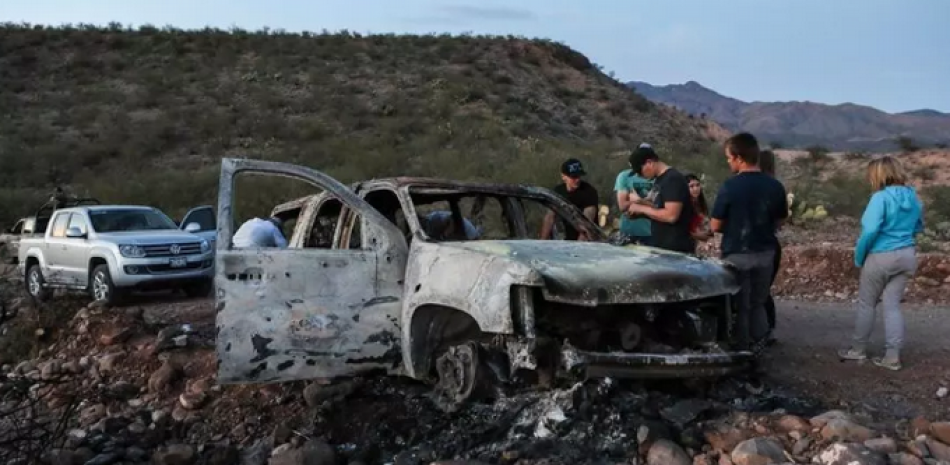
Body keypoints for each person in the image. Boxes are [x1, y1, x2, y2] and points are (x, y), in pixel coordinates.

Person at [838, 156, 923, 371]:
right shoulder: (913, 196)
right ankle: (892, 356)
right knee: (892, 305)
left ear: (878, 175)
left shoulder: (880, 198)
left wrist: (859, 256)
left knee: (868, 303)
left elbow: (870, 230)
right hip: (907, 254)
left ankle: (858, 349)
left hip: (881, 255)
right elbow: (918, 227)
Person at [710, 133, 788, 351]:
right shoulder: (775, 187)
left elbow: (715, 225)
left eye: (728, 158)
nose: (728, 162)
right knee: (758, 303)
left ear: (739, 158)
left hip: (737, 253)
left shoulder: (730, 187)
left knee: (740, 306)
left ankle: (741, 351)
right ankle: (759, 348)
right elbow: (780, 219)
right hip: (765, 252)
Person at [624, 144, 696, 254]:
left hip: (675, 249)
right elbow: (659, 209)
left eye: (640, 170)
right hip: (662, 246)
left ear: (649, 163)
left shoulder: (672, 179)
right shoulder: (659, 180)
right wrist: (639, 213)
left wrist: (642, 209)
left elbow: (671, 216)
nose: (640, 175)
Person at [758, 149, 783, 344]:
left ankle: (757, 331)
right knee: (764, 289)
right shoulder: (776, 187)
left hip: (754, 244)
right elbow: (779, 220)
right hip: (771, 244)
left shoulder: (748, 186)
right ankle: (770, 328)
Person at [541, 158, 598, 241]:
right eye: (573, 177)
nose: (577, 180)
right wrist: (543, 241)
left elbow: (587, 222)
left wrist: (579, 247)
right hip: (569, 239)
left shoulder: (589, 192)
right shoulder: (558, 191)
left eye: (578, 176)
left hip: (588, 242)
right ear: (563, 177)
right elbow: (550, 217)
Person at [613, 144, 654, 245]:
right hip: (628, 231)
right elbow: (622, 206)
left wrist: (637, 201)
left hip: (652, 232)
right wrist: (647, 204)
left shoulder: (658, 177)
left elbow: (662, 207)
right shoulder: (625, 176)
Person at [686, 173, 713, 242]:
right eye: (691, 186)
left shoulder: (700, 204)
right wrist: (703, 237)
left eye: (698, 185)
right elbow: (685, 231)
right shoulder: (685, 206)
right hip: (693, 242)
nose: (696, 189)